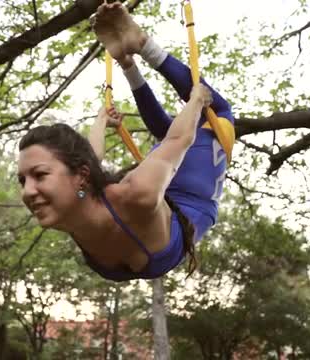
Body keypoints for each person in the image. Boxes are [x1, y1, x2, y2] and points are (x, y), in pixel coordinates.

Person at [16, 2, 234, 281]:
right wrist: (100, 120)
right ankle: (127, 61)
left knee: (217, 111)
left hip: (192, 191)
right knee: (164, 133)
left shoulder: (137, 194)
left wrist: (197, 101)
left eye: (39, 175)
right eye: (22, 180)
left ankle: (141, 45)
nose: (28, 192)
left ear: (81, 179)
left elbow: (180, 138)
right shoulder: (70, 205)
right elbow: (88, 159)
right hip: (166, 196)